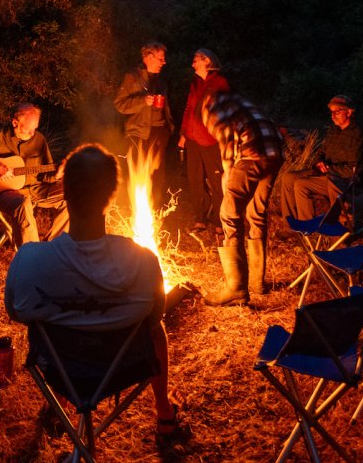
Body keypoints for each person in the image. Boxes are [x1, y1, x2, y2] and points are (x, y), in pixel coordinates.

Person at [4, 143, 189, 444]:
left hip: (60, 371)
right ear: (112, 196)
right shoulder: (143, 260)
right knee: (156, 330)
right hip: (123, 368)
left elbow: (16, 312)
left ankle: (60, 404)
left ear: (63, 192)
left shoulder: (29, 260)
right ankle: (165, 414)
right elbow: (154, 318)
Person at [200, 91, 284, 305]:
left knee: (229, 213)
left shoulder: (214, 109)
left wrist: (227, 174)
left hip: (251, 154)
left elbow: (227, 138)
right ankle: (257, 283)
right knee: (256, 213)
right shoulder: (242, 101)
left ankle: (236, 288)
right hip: (275, 154)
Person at [0, 103, 68, 247]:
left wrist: (57, 175)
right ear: (15, 123)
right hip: (5, 192)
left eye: (35, 129)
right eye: (28, 130)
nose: (33, 134)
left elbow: (45, 174)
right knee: (22, 204)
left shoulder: (39, 140)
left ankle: (53, 248)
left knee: (71, 197)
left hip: (35, 188)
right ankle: (31, 257)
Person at [277, 95, 363, 224]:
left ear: (349, 112)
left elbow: (352, 168)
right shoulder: (333, 130)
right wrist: (318, 162)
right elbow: (321, 151)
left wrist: (329, 168)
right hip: (324, 171)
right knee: (288, 178)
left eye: (337, 111)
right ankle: (290, 225)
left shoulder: (358, 134)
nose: (333, 115)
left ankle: (308, 227)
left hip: (341, 178)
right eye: (331, 112)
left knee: (301, 185)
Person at [176, 48, 229, 237]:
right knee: (195, 180)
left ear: (206, 61)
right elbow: (189, 109)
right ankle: (200, 219)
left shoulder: (220, 83)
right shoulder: (195, 84)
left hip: (210, 139)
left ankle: (219, 221)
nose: (192, 64)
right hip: (192, 139)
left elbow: (224, 110)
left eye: (195, 60)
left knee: (216, 181)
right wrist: (183, 133)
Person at [114, 42, 174, 196]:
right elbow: (120, 105)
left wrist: (168, 130)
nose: (164, 62)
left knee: (158, 176)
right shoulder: (132, 77)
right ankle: (137, 211)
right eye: (161, 58)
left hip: (158, 133)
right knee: (139, 174)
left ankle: (155, 214)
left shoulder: (161, 81)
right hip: (138, 133)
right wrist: (142, 101)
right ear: (148, 57)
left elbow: (166, 108)